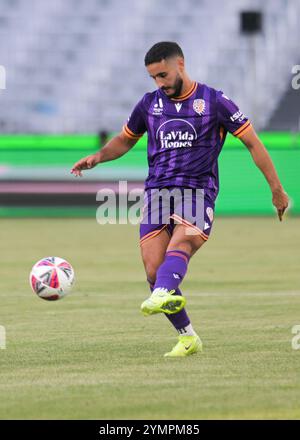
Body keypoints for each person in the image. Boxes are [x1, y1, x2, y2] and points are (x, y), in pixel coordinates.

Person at [71, 42, 289, 357]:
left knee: (182, 242)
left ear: (180, 64)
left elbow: (254, 144)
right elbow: (125, 139)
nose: (160, 83)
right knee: (152, 268)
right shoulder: (149, 105)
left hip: (198, 190)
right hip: (157, 193)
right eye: (154, 78)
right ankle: (187, 337)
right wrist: (99, 157)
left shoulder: (215, 101)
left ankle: (162, 291)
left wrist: (276, 189)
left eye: (163, 74)